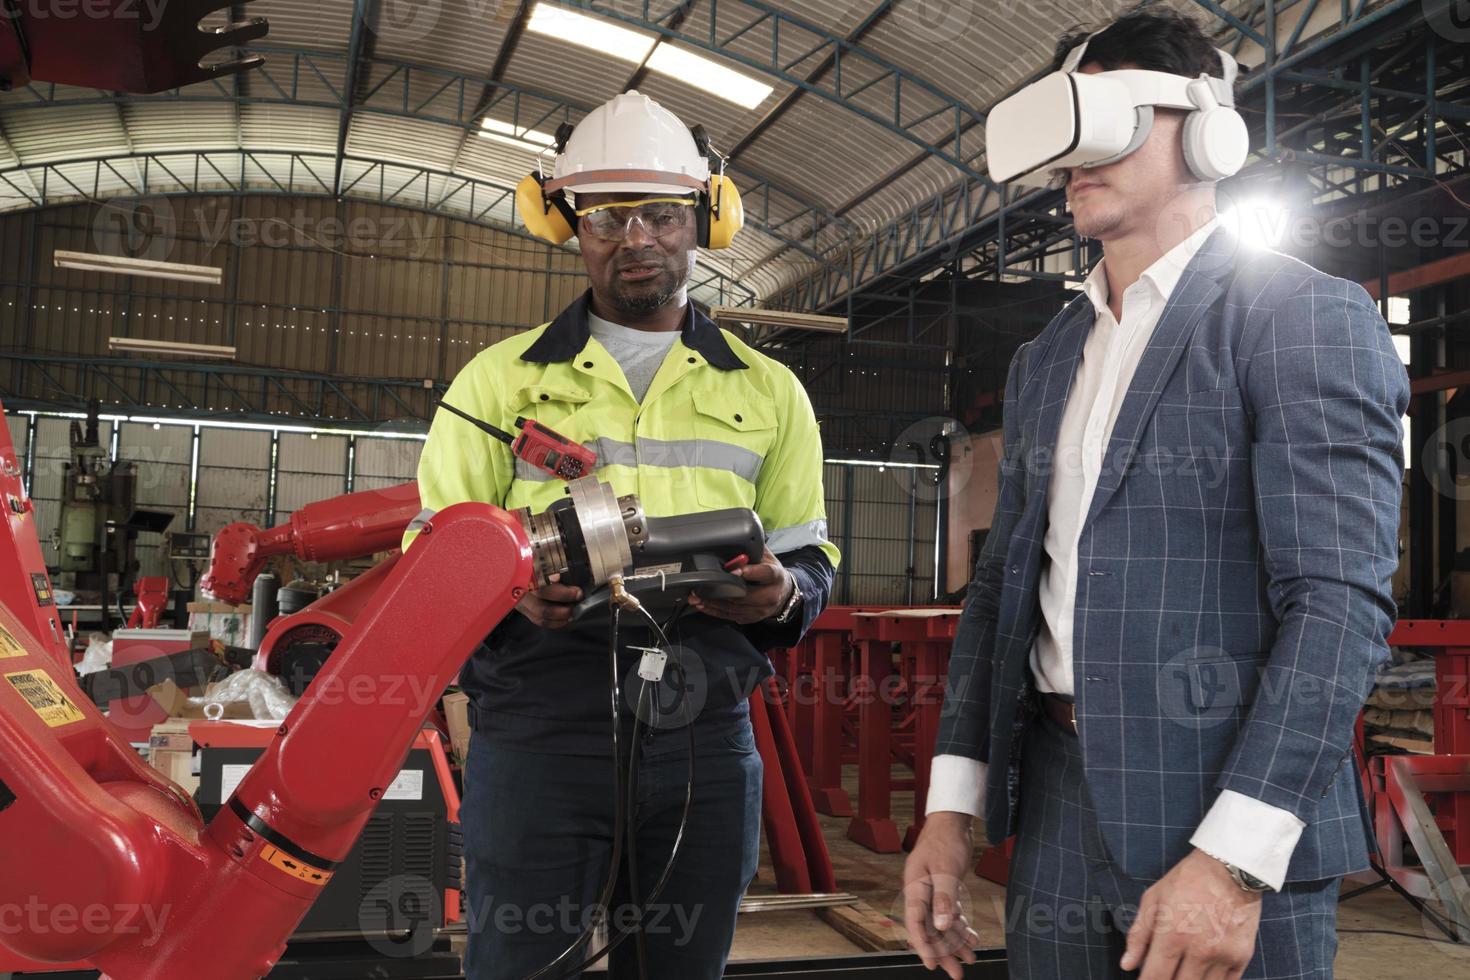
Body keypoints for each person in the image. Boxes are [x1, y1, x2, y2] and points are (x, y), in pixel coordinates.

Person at [903, 8, 1409, 980]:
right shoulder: (1046, 359)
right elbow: (1002, 594)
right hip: (1054, 812)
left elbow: (1338, 602)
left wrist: (1233, 858)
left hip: (1220, 819)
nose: (1077, 157)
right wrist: (951, 808)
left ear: (1209, 128)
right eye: (1069, 127)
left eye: (1113, 118)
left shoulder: (1301, 318)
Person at [409, 91, 839, 980]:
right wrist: (510, 591)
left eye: (660, 213)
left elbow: (811, 553)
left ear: (703, 220)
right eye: (607, 215)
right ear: (567, 221)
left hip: (702, 737)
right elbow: (429, 558)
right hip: (540, 734)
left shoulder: (771, 393)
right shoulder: (495, 384)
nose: (635, 236)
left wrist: (784, 592)